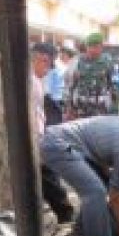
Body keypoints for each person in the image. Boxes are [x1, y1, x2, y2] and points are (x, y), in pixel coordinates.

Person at [32, 42, 74, 223]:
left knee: (45, 176)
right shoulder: (31, 82)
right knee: (48, 176)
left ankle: (63, 211)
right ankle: (65, 213)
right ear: (41, 60)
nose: (48, 71)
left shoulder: (35, 80)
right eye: (48, 66)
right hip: (34, 137)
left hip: (38, 134)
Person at [66, 33, 115, 119]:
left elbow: (112, 85)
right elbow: (70, 86)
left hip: (101, 108)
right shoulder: (76, 62)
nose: (95, 50)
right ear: (87, 47)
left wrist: (114, 108)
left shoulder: (107, 62)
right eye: (92, 47)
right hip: (81, 108)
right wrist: (69, 108)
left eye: (98, 47)